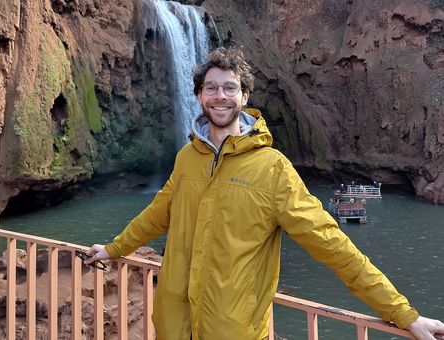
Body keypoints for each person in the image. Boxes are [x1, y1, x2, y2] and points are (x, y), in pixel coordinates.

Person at [84, 47, 444, 340]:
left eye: (229, 87)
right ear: (198, 95)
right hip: (173, 327)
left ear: (245, 95)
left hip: (234, 332)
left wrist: (402, 314)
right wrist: (114, 249)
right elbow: (157, 213)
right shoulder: (187, 158)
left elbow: (332, 245)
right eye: (211, 88)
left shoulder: (273, 169)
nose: (219, 96)